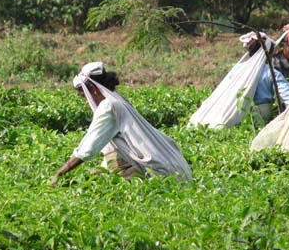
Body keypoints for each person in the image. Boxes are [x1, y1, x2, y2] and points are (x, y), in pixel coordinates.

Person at [51, 62, 192, 185]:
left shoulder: (109, 107)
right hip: (177, 170)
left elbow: (87, 149)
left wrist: (60, 173)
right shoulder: (119, 101)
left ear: (93, 90)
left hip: (161, 174)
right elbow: (111, 151)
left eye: (84, 96)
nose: (86, 101)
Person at [241, 33, 289, 121]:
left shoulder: (237, 69)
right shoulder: (270, 72)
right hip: (261, 117)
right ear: (267, 52)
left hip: (238, 116)